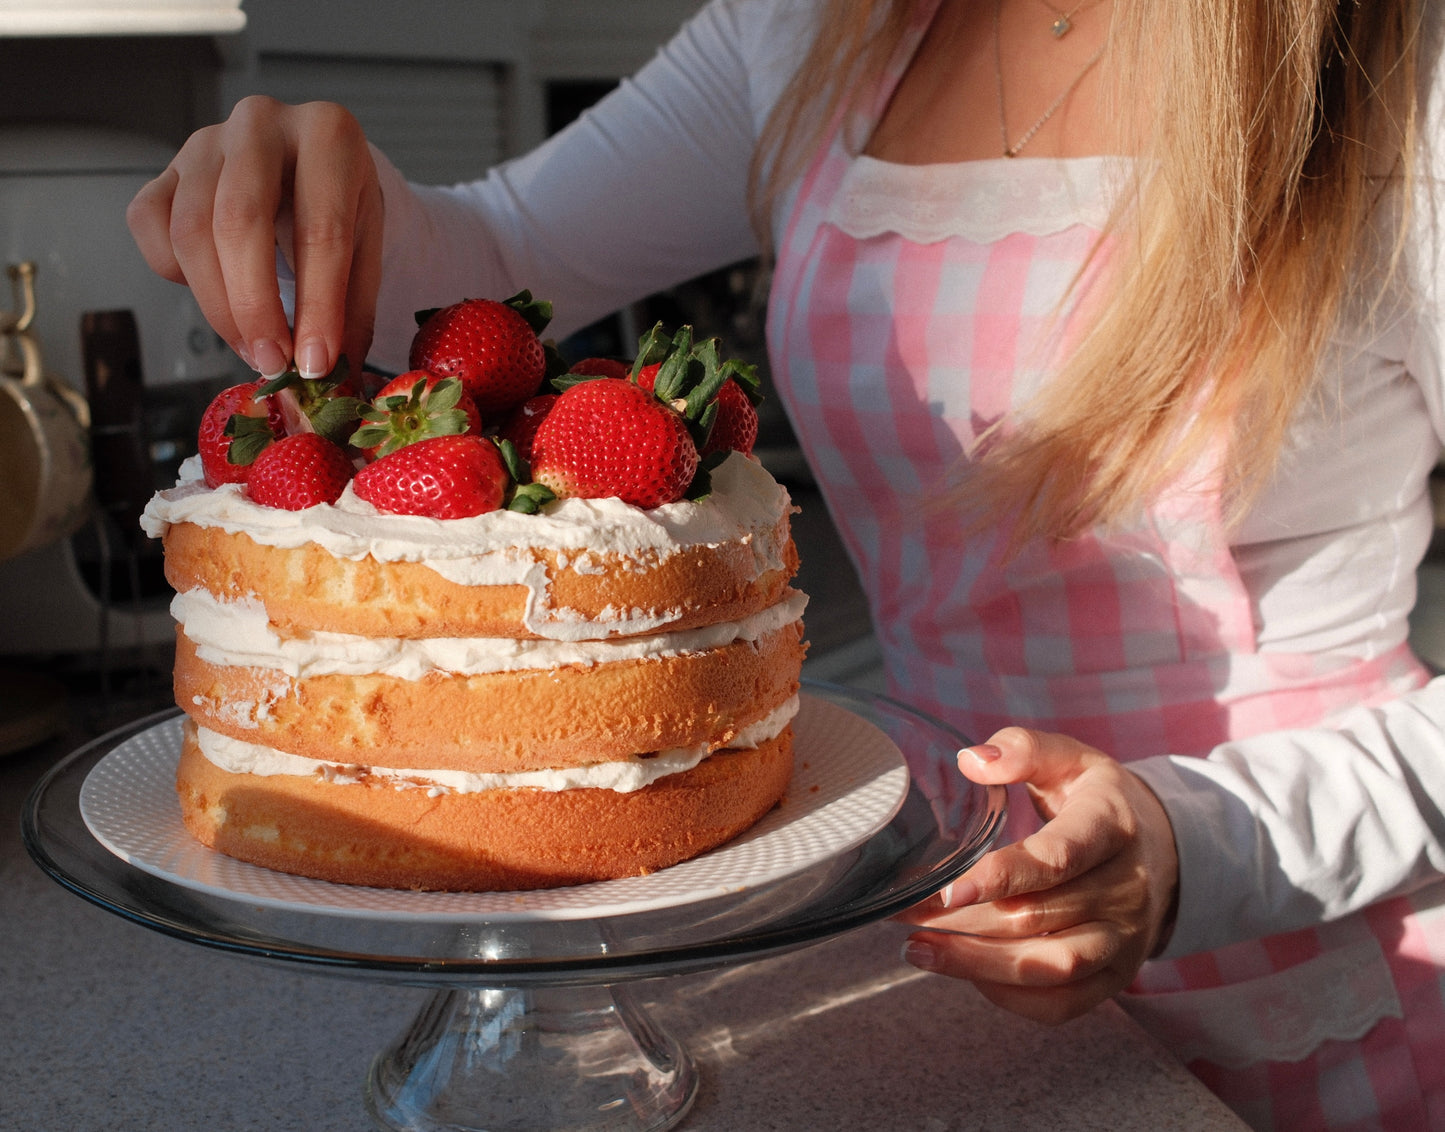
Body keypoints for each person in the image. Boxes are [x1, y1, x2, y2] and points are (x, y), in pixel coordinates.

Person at [127, 0, 1445, 1126]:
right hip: (900, 926)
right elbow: (492, 260)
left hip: (1306, 965)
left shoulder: (1406, 66)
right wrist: (312, 191)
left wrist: (1195, 845)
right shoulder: (813, 25)